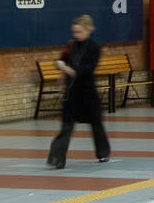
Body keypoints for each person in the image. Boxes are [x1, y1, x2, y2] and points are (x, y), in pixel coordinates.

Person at [47, 15, 111, 168]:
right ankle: (57, 159)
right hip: (72, 92)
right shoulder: (70, 46)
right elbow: (61, 60)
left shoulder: (94, 47)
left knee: (96, 123)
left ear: (88, 30)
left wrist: (70, 70)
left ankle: (103, 153)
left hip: (88, 92)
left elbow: (89, 69)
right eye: (74, 32)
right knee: (66, 125)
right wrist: (61, 67)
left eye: (79, 32)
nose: (76, 35)